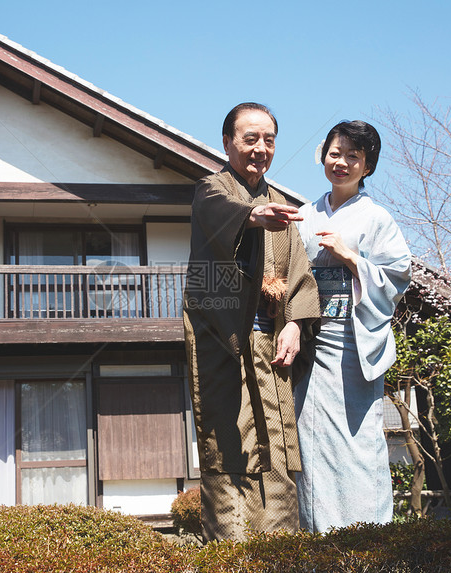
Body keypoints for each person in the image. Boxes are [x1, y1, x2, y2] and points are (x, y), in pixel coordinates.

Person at [183, 102, 320, 541]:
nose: (260, 148)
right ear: (228, 143)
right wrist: (249, 216)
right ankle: (231, 550)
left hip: (272, 345)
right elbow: (217, 215)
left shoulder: (281, 203)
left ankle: (280, 548)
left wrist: (296, 324)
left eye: (269, 140)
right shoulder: (211, 190)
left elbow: (299, 273)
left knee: (276, 443)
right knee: (228, 441)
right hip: (225, 344)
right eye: (249, 138)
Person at [293, 120, 411, 533]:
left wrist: (350, 258)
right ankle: (320, 536)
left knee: (359, 443)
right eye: (335, 153)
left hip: (353, 342)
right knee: (310, 441)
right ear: (321, 154)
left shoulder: (377, 218)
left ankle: (371, 533)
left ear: (367, 166)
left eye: (353, 157)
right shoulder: (304, 214)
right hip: (311, 344)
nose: (341, 162)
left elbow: (397, 276)